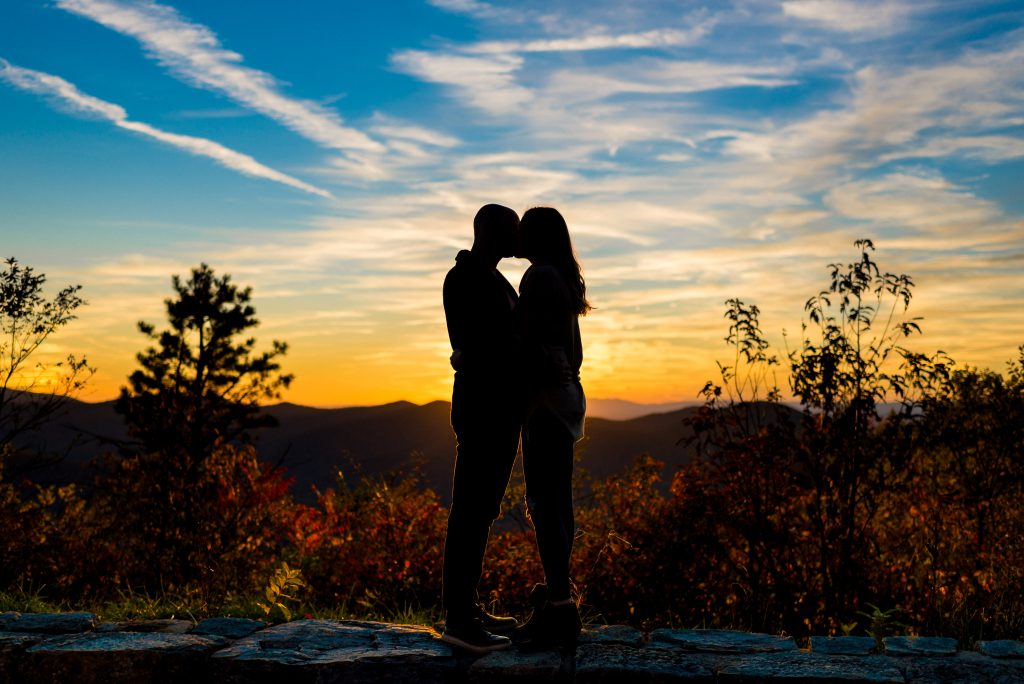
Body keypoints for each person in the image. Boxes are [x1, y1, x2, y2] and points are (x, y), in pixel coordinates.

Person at [439, 204, 523, 653]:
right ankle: (458, 618)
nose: (518, 239)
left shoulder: (489, 278)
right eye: (512, 231)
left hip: (498, 407)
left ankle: (466, 606)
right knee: (470, 510)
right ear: (489, 232)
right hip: (482, 408)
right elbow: (480, 344)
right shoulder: (465, 279)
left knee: (481, 509)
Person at [513, 206, 589, 650]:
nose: (517, 236)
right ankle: (560, 596)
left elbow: (524, 342)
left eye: (524, 229)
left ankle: (559, 605)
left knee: (543, 501)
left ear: (536, 236)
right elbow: (569, 353)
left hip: (544, 402)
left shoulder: (538, 276)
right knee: (558, 499)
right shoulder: (562, 276)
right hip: (566, 401)